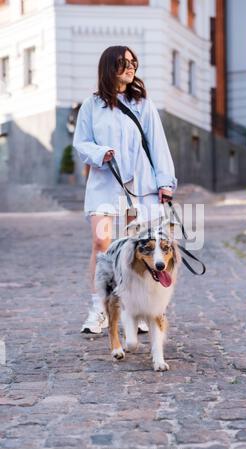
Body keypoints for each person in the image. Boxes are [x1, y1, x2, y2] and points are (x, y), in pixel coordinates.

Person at [73, 45, 177, 334]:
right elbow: (81, 143)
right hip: (105, 184)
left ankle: (137, 308)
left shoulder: (143, 104)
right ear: (109, 67)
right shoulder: (91, 105)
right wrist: (100, 152)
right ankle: (99, 307)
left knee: (135, 247)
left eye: (133, 63)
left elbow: (158, 145)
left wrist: (165, 182)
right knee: (101, 244)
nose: (130, 68)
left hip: (140, 186)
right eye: (123, 63)